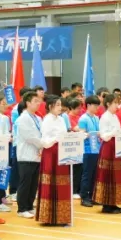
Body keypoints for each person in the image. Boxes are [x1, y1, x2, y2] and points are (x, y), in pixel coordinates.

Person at [37, 97, 71, 226]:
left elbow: (64, 135)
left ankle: (61, 216)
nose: (60, 107)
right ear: (50, 106)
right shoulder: (47, 120)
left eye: (60, 105)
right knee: (51, 183)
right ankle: (49, 217)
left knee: (62, 184)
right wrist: (56, 139)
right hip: (51, 153)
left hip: (62, 153)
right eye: (57, 105)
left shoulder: (61, 119)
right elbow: (44, 141)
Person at [92, 96, 121, 215]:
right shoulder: (104, 117)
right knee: (107, 175)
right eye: (115, 103)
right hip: (108, 147)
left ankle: (113, 202)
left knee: (115, 175)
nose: (117, 106)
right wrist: (113, 132)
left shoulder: (115, 116)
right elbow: (104, 136)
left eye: (117, 103)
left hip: (116, 147)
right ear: (108, 104)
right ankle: (106, 204)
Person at [14, 92, 42, 219]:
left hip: (37, 154)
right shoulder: (23, 119)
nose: (38, 103)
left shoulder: (38, 118)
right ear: (28, 103)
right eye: (35, 101)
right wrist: (43, 144)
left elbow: (41, 133)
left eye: (39, 101)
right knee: (25, 182)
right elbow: (30, 137)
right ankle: (22, 208)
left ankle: (30, 206)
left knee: (33, 183)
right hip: (26, 155)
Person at [76, 96, 102, 208]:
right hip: (87, 150)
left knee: (95, 174)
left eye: (98, 105)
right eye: (95, 105)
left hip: (97, 149)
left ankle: (92, 196)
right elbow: (81, 134)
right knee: (87, 174)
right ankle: (84, 197)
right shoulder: (83, 119)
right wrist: (93, 134)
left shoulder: (96, 118)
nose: (97, 107)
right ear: (89, 105)